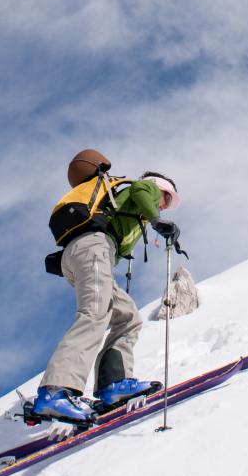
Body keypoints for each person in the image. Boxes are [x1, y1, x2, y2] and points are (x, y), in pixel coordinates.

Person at [34, 149, 182, 422]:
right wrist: (157, 220)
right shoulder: (145, 187)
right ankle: (56, 390)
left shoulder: (127, 205)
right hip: (92, 249)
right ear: (159, 187)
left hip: (83, 254)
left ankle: (112, 385)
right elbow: (140, 191)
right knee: (95, 314)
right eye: (166, 198)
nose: (163, 205)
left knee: (128, 317)